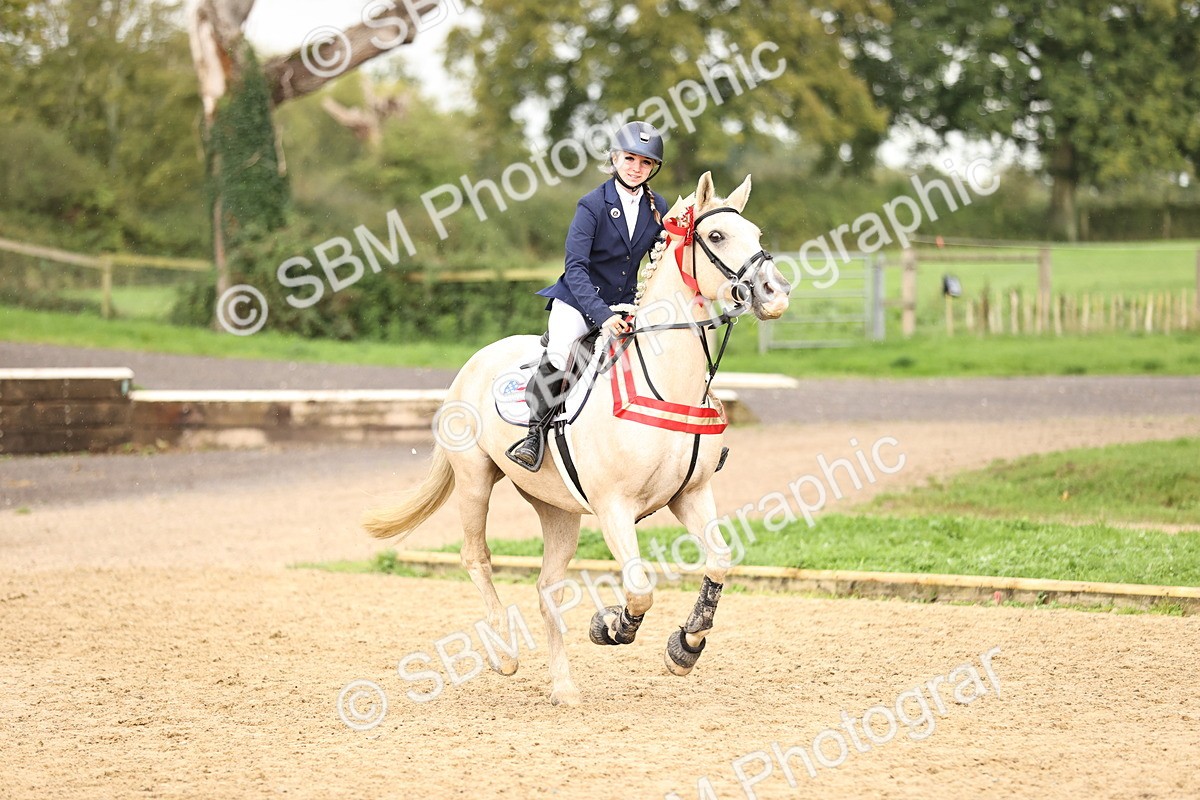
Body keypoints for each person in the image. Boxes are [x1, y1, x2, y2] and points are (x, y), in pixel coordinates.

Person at [506, 120, 669, 471]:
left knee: (666, 347)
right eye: (629, 159)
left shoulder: (657, 206)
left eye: (645, 163)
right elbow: (575, 267)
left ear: (653, 168)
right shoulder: (592, 205)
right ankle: (534, 435)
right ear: (614, 158)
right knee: (561, 351)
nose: (636, 168)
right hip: (579, 301)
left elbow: (666, 252)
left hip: (626, 303)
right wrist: (602, 315)